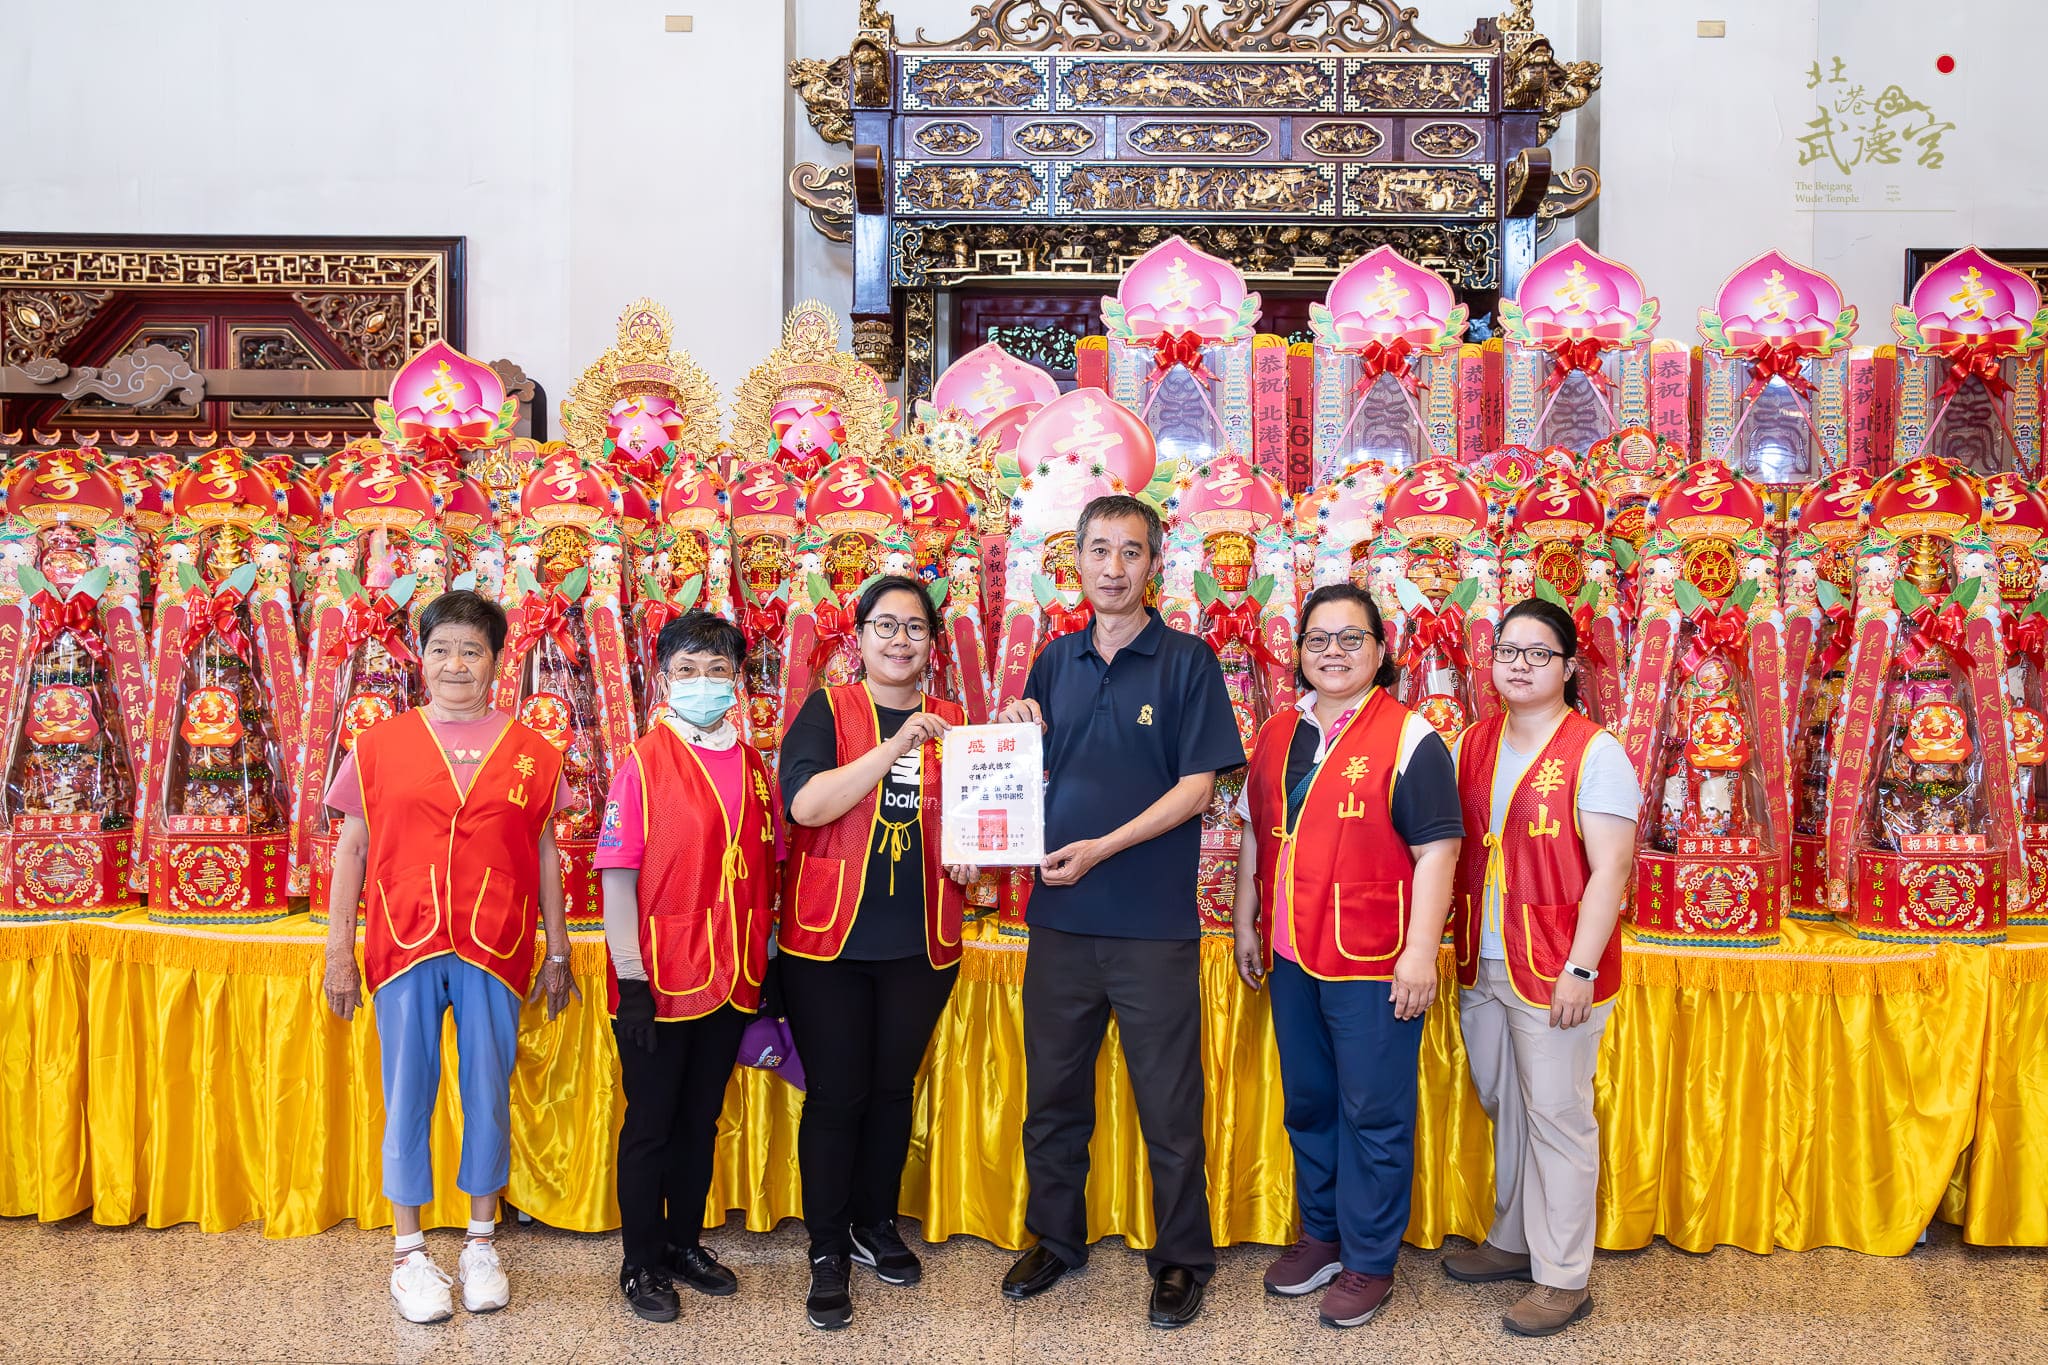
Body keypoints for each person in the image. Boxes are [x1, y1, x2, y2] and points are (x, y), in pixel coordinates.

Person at [994, 494, 1246, 1329]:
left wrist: (1102, 847)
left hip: (1150, 925)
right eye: (1098, 550)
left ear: (1154, 564)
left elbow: (1198, 788)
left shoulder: (1187, 661)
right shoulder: (1053, 660)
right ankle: (1055, 1237)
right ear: (1075, 559)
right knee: (1052, 1095)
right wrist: (1013, 731)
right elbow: (1026, 777)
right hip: (1058, 922)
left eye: (1130, 551)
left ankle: (1181, 1258)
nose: (1112, 567)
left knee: (1168, 1105)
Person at [320, 589, 577, 1325]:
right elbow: (352, 850)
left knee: (487, 1088)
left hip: (497, 941)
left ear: (496, 661)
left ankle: (480, 1242)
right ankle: (408, 1253)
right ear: (421, 658)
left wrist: (558, 948)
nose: (455, 664)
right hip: (402, 940)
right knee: (407, 1091)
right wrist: (339, 949)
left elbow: (545, 852)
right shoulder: (377, 746)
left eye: (471, 650)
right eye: (441, 649)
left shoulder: (533, 751)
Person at [1231, 585, 1463, 1330]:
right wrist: (1246, 922)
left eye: (1351, 638)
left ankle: (1369, 1258)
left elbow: (1438, 850)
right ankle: (1323, 1236)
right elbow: (1256, 832)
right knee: (1310, 1102)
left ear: (1380, 649)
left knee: (1373, 1112)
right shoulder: (1278, 731)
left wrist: (1420, 953)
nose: (1333, 652)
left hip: (1375, 957)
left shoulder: (1411, 737)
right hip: (1291, 953)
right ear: (1297, 649)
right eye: (1318, 639)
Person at [779, 575, 978, 1331]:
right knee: (838, 1094)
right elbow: (807, 805)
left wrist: (974, 854)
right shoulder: (828, 710)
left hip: (921, 940)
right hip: (827, 940)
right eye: (885, 626)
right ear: (858, 637)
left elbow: (976, 821)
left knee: (894, 1091)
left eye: (915, 628)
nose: (900, 640)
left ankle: (875, 1224)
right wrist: (894, 747)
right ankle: (827, 1248)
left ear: (932, 642)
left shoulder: (957, 724)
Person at [1443, 596, 1639, 1337]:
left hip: (1558, 963)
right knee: (1506, 1101)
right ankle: (1513, 1237)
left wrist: (1581, 969)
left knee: (1557, 1114)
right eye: (1507, 651)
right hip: (1483, 954)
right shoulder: (1473, 740)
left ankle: (1563, 1277)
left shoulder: (1596, 751)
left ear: (1568, 666)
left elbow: (1612, 868)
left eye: (1538, 653)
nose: (1519, 665)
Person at [595, 611, 780, 1323]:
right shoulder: (644, 762)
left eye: (717, 669)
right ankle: (640, 1262)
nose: (703, 682)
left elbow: (765, 870)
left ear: (737, 679)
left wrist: (769, 964)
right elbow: (618, 876)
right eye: (687, 670)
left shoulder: (754, 765)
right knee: (651, 1124)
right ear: (664, 678)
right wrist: (631, 979)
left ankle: (682, 1244)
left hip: (732, 976)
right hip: (659, 977)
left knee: (700, 1120)